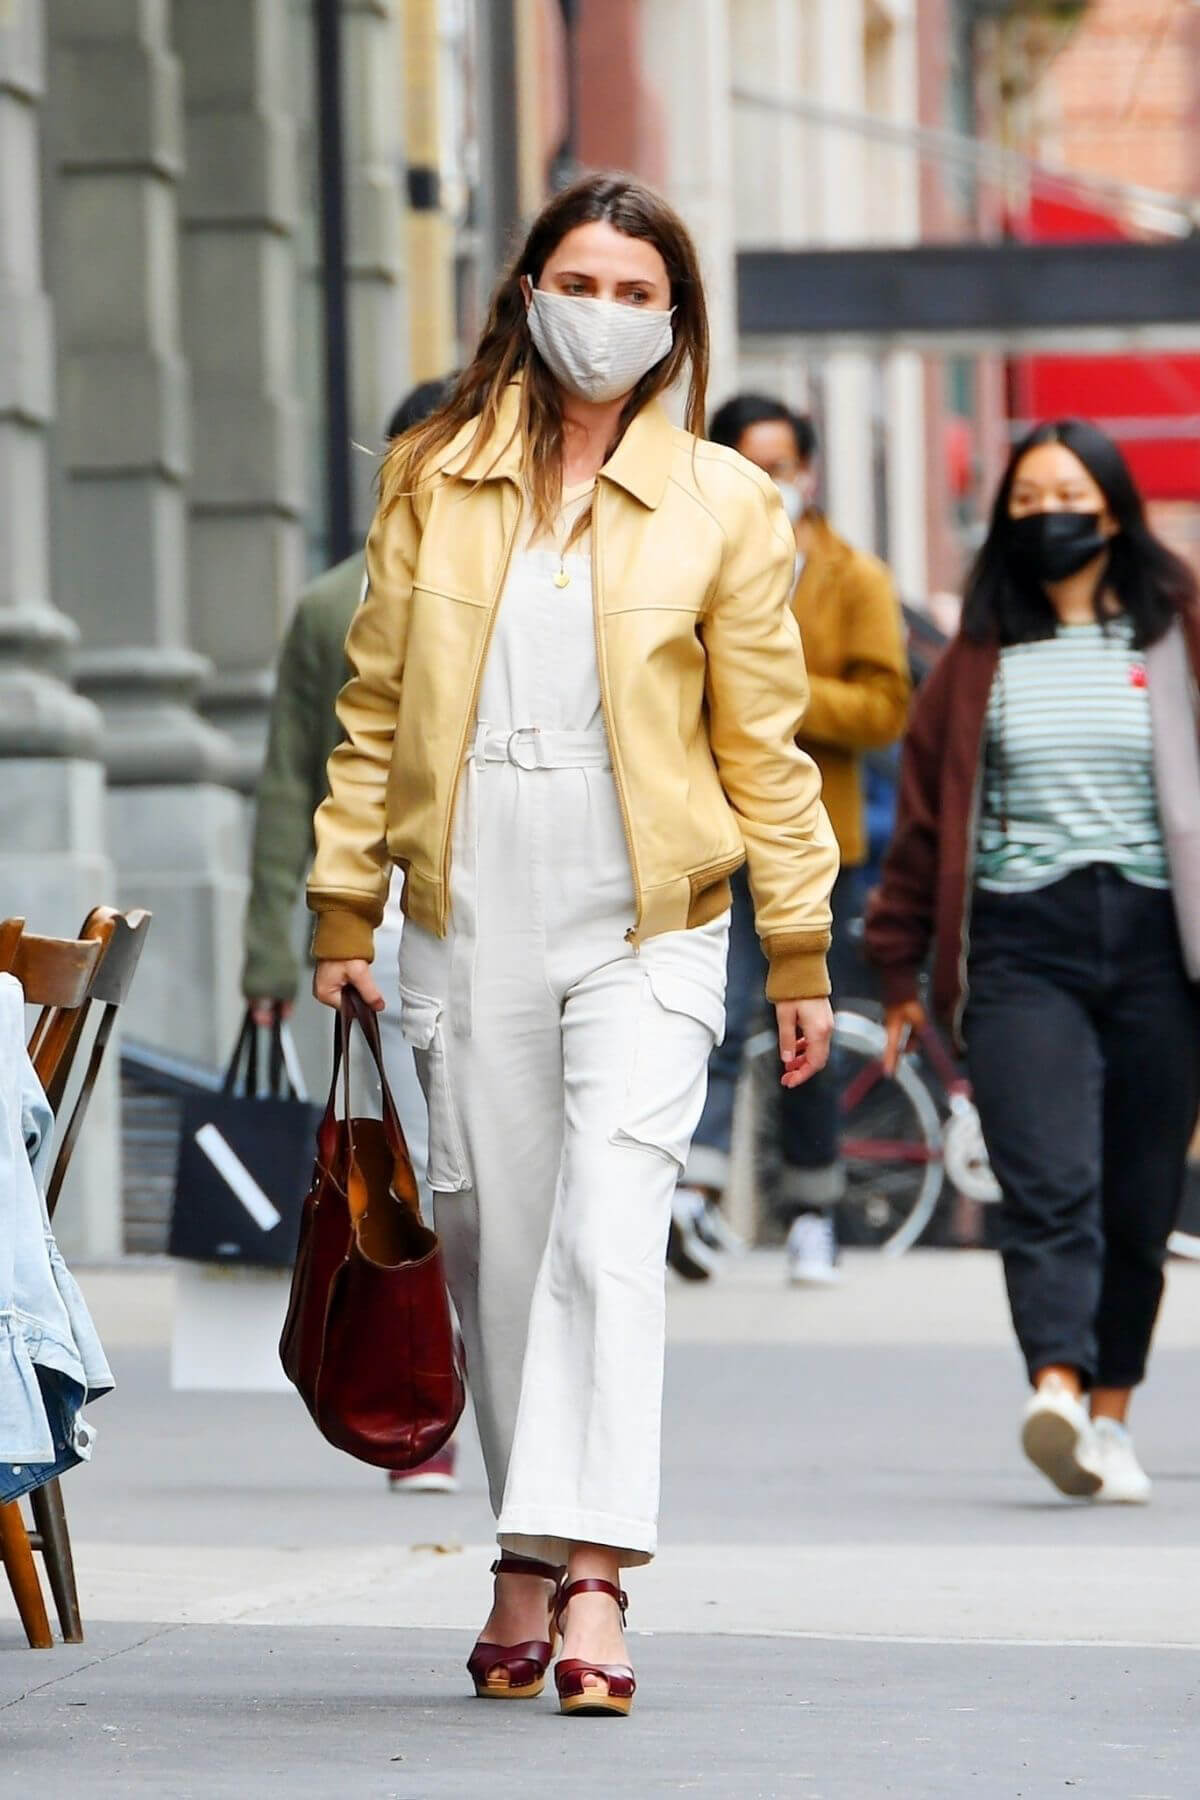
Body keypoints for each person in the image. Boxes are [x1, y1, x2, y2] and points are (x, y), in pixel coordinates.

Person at [305, 172, 838, 1716]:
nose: (600, 315)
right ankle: (524, 1552)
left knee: (610, 1231)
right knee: (500, 1250)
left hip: (647, 914)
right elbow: (374, 712)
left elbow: (769, 745)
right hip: (468, 900)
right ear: (525, 292)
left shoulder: (727, 503)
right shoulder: (431, 475)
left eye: (632, 291)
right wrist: (348, 902)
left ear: (673, 322)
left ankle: (592, 1572)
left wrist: (793, 945)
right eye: (577, 282)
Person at [867, 419, 1200, 1504]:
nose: (1048, 512)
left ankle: (1112, 1418)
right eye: (1027, 499)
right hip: (1020, 941)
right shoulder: (978, 658)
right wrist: (900, 972)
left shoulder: (1177, 628)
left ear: (1112, 507)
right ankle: (1055, 1386)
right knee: (1048, 1176)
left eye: (1070, 492)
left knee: (1140, 1195)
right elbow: (922, 828)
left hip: (1162, 941)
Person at [241, 375, 458, 1495]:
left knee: (458, 1156)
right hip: (374, 911)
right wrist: (269, 956)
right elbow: (293, 784)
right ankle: (427, 1372)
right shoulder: (338, 603)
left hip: (469, 903)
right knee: (411, 1152)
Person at [671, 395, 909, 1284]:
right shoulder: (685, 561)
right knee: (717, 1013)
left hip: (814, 841)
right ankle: (693, 1193)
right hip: (705, 829)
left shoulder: (855, 578)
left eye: (783, 463)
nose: (772, 482)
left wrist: (771, 687)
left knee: (800, 1022)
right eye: (750, 462)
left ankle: (813, 1208)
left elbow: (887, 707)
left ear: (808, 470)